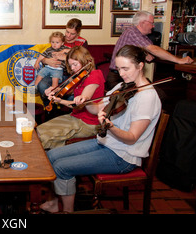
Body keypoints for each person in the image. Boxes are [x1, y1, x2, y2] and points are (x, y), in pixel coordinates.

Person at [41, 45, 162, 213]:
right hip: (106, 143)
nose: (121, 73)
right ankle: (53, 202)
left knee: (61, 167)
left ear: (141, 66)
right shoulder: (123, 86)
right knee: (51, 156)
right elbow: (97, 108)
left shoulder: (147, 97)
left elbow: (132, 138)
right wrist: (86, 102)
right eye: (119, 68)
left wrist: (110, 127)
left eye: (126, 68)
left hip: (124, 156)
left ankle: (67, 211)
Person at [36, 46, 105, 150]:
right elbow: (67, 89)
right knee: (38, 130)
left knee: (44, 137)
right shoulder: (82, 75)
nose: (72, 68)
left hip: (89, 123)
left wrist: (59, 101)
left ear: (86, 61)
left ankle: (47, 158)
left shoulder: (94, 76)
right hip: (75, 117)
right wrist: (53, 90)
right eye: (70, 65)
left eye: (75, 64)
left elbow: (78, 104)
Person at [105, 11, 193, 90]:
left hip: (128, 77)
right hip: (119, 78)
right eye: (152, 23)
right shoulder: (133, 32)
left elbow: (150, 52)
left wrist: (145, 53)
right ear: (143, 23)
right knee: (155, 94)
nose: (153, 26)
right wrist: (178, 60)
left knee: (156, 94)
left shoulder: (142, 36)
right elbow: (154, 50)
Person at [34, 31, 70, 107]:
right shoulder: (49, 49)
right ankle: (35, 87)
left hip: (58, 69)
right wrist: (37, 62)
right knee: (40, 74)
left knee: (55, 79)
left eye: (57, 42)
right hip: (48, 67)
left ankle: (54, 92)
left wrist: (63, 51)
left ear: (62, 43)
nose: (54, 44)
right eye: (52, 42)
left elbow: (73, 52)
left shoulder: (65, 48)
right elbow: (42, 56)